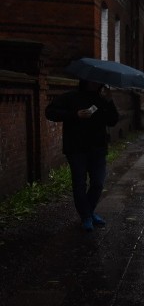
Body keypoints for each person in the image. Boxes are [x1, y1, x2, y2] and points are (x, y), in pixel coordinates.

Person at [45, 80, 120, 231]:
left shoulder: (102, 100)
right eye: (92, 80)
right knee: (79, 184)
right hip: (76, 148)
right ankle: (86, 217)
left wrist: (110, 100)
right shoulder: (70, 97)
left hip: (98, 148)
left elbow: (113, 120)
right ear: (85, 80)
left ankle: (89, 212)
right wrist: (75, 115)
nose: (95, 83)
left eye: (98, 80)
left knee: (98, 183)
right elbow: (50, 112)